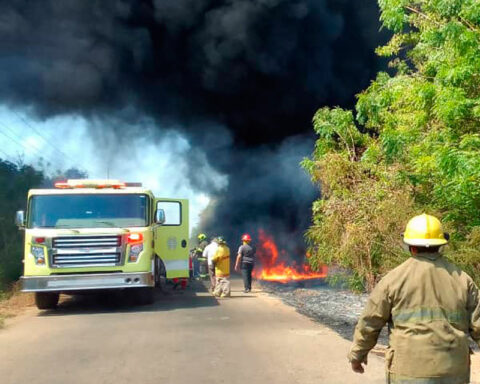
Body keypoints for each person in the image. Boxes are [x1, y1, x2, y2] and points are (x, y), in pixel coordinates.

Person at [349, 214, 480, 383]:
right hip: (453, 373)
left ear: (411, 246)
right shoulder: (463, 280)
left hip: (407, 373)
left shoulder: (393, 280)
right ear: (440, 245)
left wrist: (357, 355)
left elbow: (369, 323)